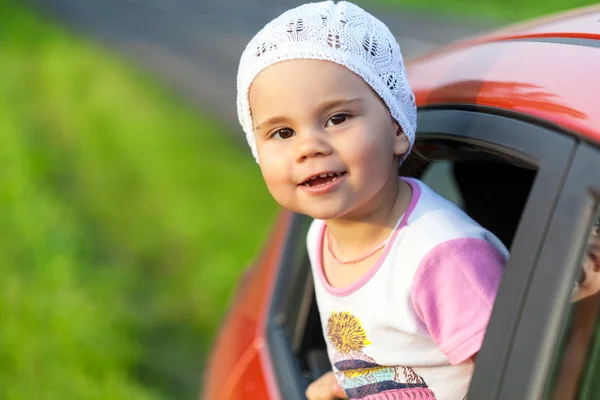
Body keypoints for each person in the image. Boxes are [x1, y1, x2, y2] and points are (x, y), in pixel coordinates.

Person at [236, 2, 507, 399]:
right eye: (281, 133)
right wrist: (351, 383)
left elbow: (510, 382)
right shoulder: (321, 236)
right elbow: (394, 358)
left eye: (337, 118)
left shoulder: (442, 257)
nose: (310, 146)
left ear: (397, 126)